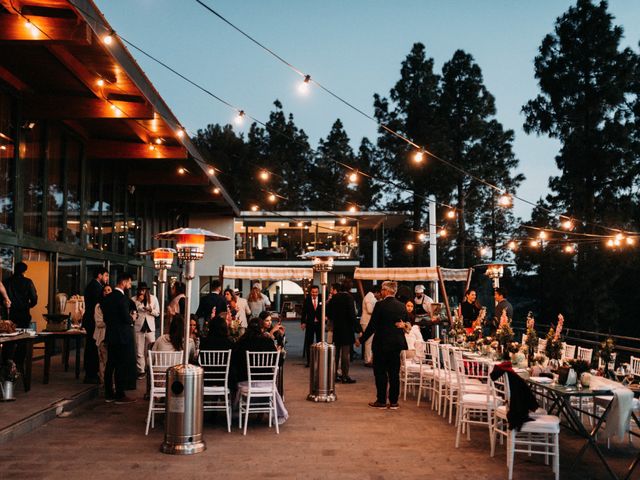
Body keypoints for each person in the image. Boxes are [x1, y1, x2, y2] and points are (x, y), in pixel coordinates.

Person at [356, 281, 409, 410]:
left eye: (382, 290)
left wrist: (361, 340)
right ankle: (394, 402)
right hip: (396, 344)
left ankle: (381, 401)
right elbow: (406, 323)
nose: (380, 292)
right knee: (394, 373)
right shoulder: (402, 306)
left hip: (381, 344)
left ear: (386, 290)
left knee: (380, 372)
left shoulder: (380, 305)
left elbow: (372, 326)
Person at [101, 273, 137, 404]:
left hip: (110, 335)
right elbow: (125, 318)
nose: (129, 285)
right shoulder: (122, 299)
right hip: (122, 336)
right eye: (129, 282)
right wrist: (132, 318)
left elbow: (105, 318)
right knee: (121, 365)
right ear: (124, 282)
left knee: (110, 364)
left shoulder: (107, 298)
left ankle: (108, 394)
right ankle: (120, 394)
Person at [327, 282, 360, 384]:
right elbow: (352, 315)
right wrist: (358, 329)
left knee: (336, 353)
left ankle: (335, 375)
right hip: (347, 329)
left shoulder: (334, 298)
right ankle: (345, 376)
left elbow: (328, 312)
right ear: (350, 288)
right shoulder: (349, 298)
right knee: (345, 354)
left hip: (337, 328)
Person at [82, 267, 109, 384]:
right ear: (99, 275)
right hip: (92, 320)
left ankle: (91, 373)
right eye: (106, 275)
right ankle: (91, 374)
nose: (107, 278)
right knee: (92, 347)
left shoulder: (94, 285)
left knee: (91, 347)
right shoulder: (96, 287)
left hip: (90, 320)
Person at [231, 318, 277, 383]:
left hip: (244, 381)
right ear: (262, 329)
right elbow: (278, 361)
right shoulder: (268, 342)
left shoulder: (241, 342)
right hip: (265, 381)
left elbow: (234, 361)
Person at [132, 282, 159, 378]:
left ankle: (150, 367)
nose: (142, 291)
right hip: (139, 327)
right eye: (140, 290)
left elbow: (158, 312)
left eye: (143, 289)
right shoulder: (134, 299)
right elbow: (131, 311)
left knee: (152, 348)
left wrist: (150, 310)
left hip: (150, 327)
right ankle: (141, 370)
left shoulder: (153, 298)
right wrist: (139, 302)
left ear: (147, 290)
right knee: (139, 351)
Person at [4, 262, 37, 329]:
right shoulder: (28, 282)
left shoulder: (7, 282)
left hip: (10, 313)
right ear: (24, 271)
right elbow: (34, 298)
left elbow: (1, 298)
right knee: (23, 335)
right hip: (24, 314)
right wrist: (28, 305)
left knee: (10, 334)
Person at [93, 284, 112, 386]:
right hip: (102, 336)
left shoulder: (114, 304)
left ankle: (110, 382)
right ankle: (104, 382)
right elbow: (99, 322)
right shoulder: (98, 306)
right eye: (105, 290)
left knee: (110, 361)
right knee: (103, 360)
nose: (107, 292)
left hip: (112, 336)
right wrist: (111, 321)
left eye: (109, 290)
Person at [300, 285, 322, 367]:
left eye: (316, 292)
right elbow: (304, 312)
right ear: (310, 292)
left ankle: (320, 360)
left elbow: (325, 309)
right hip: (310, 324)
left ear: (318, 292)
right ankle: (309, 361)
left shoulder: (322, 298)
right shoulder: (307, 300)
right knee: (309, 342)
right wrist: (303, 322)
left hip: (319, 324)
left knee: (320, 342)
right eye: (313, 292)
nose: (314, 294)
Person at [360, 285, 380, 367]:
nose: (379, 296)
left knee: (369, 341)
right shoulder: (369, 297)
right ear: (377, 292)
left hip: (367, 321)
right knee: (368, 341)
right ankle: (367, 360)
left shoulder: (370, 296)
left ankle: (369, 358)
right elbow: (369, 310)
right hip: (366, 322)